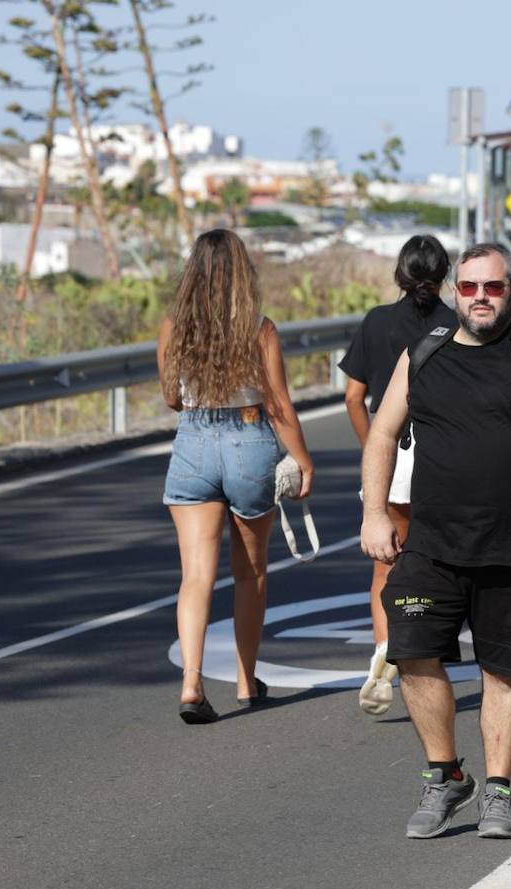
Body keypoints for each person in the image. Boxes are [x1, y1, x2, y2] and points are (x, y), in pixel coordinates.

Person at [360, 243, 511, 841]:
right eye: (471, 287)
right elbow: (382, 433)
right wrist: (375, 513)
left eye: (494, 287)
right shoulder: (423, 352)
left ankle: (499, 791)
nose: (481, 297)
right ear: (455, 292)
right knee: (412, 652)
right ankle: (445, 774)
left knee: (505, 670)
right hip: (431, 541)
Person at [159, 229, 314, 724]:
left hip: (193, 442)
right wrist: (304, 460)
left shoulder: (173, 327)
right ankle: (248, 681)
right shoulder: (259, 328)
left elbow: (172, 399)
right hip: (249, 442)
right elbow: (278, 404)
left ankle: (191, 684)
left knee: (195, 576)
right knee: (250, 572)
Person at [339, 235, 455, 715]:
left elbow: (352, 396)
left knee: (386, 565)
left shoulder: (377, 322)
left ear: (400, 275)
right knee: (445, 567)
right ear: (445, 274)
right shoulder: (458, 324)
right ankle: (428, 661)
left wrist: (374, 446)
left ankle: (385, 652)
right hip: (445, 460)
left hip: (390, 457)